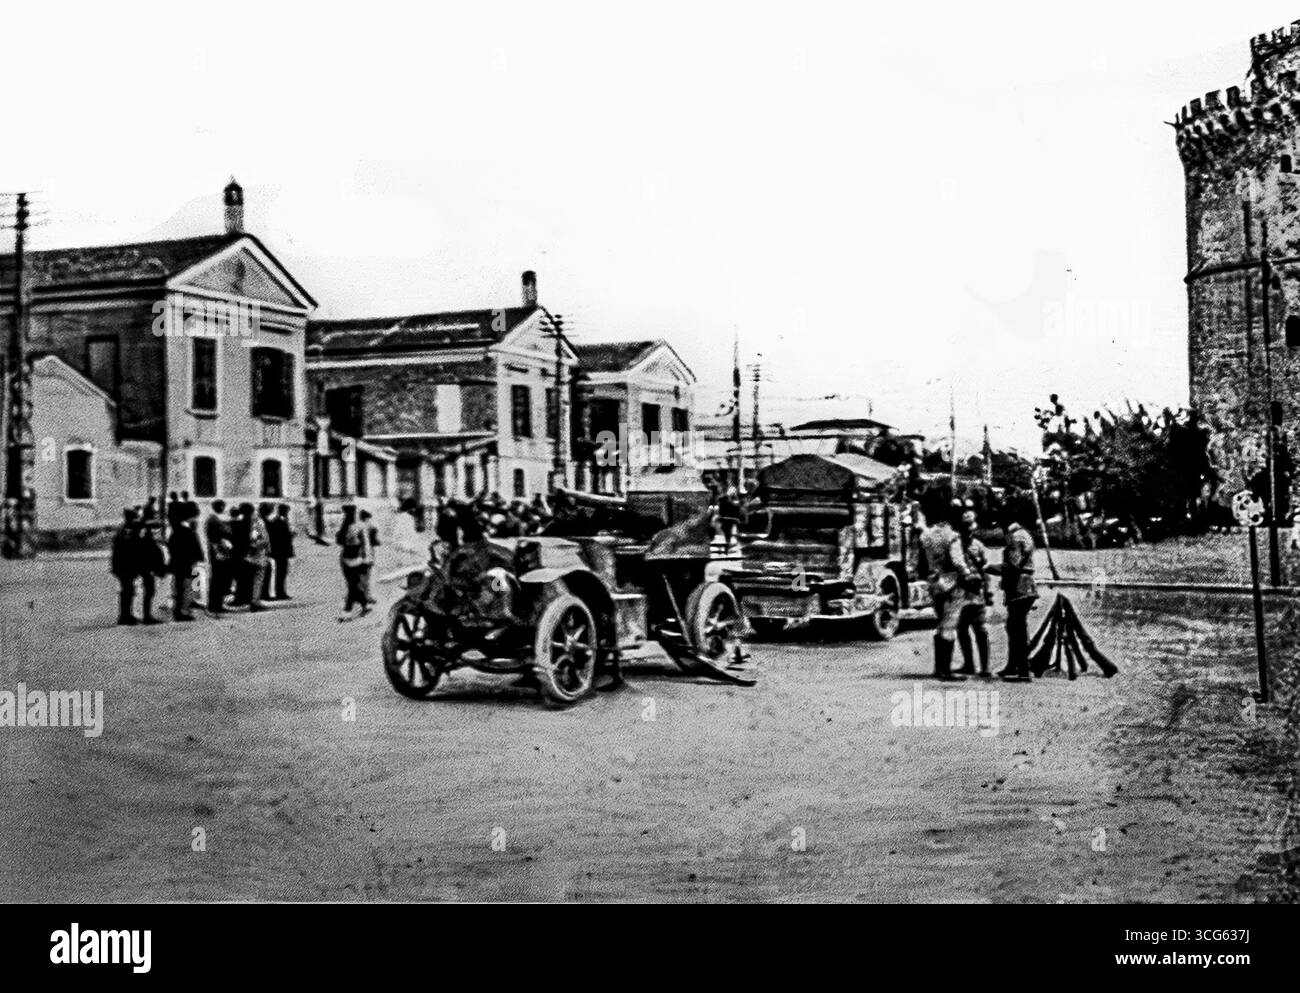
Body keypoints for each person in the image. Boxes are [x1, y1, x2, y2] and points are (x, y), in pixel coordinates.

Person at [920, 497, 976, 681]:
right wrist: (968, 574)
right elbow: (957, 561)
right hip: (951, 582)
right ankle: (945, 670)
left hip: (934, 582)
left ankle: (939, 668)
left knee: (940, 624)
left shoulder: (927, 535)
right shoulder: (952, 536)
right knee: (949, 625)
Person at [986, 498, 1039, 682]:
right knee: (1014, 627)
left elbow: (1012, 566)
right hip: (1023, 587)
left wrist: (987, 567)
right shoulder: (1022, 533)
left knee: (1017, 629)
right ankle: (1012, 666)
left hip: (1020, 587)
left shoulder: (1016, 537)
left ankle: (1023, 671)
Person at [954, 508, 992, 677]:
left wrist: (988, 593)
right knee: (962, 630)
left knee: (980, 630)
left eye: (969, 527)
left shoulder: (978, 546)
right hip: (960, 593)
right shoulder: (954, 547)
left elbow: (986, 571)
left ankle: (985, 667)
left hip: (976, 593)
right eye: (965, 527)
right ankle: (969, 664)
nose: (967, 531)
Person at [167, 508, 205, 621]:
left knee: (181, 586)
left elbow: (171, 546)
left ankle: (180, 609)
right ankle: (182, 611)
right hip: (186, 563)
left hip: (179, 563)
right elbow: (194, 547)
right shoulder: (188, 532)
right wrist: (198, 558)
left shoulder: (176, 530)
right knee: (186, 587)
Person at [336, 505, 373, 618]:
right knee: (353, 586)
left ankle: (347, 611)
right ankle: (364, 605)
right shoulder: (357, 527)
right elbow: (366, 545)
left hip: (348, 560)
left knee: (353, 586)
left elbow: (340, 541)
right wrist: (367, 560)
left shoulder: (345, 527)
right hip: (354, 560)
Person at [111, 509, 142, 625]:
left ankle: (127, 614)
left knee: (127, 590)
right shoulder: (128, 532)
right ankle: (125, 616)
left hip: (122, 565)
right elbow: (131, 550)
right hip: (126, 566)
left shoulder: (123, 530)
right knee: (128, 591)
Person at [135, 513, 168, 624]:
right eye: (157, 528)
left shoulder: (145, 540)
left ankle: (144, 615)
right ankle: (146, 616)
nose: (158, 531)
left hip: (147, 571)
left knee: (148, 592)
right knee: (148, 592)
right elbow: (152, 558)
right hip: (148, 571)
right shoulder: (149, 542)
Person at [240, 502, 270, 612]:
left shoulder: (246, 521)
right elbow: (263, 539)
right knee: (258, 578)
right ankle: (255, 601)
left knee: (250, 579)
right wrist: (260, 545)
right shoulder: (258, 522)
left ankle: (250, 600)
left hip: (248, 554)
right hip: (257, 554)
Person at [204, 500, 233, 613]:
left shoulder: (213, 519)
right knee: (218, 579)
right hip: (218, 551)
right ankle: (215, 605)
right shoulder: (214, 520)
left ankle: (217, 604)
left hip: (217, 550)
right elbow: (226, 532)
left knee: (219, 579)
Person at [268, 504, 296, 600]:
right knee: (281, 572)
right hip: (281, 551)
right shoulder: (279, 521)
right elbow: (280, 536)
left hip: (280, 550)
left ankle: (280, 591)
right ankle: (280, 592)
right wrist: (290, 535)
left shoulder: (279, 520)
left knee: (282, 572)